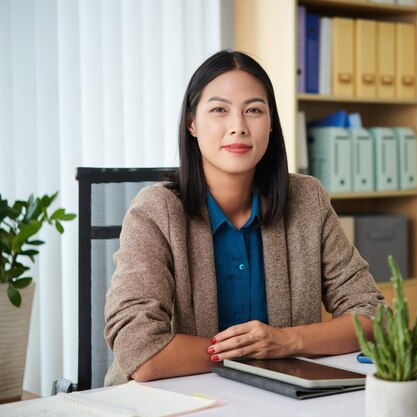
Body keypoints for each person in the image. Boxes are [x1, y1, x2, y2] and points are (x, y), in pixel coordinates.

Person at [104, 50, 385, 385]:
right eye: (219, 110)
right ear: (192, 122)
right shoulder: (155, 211)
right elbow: (142, 353)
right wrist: (253, 353)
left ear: (270, 123)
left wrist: (283, 342)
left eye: (253, 110)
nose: (238, 127)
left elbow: (374, 318)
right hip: (174, 402)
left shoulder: (307, 200)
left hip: (278, 400)